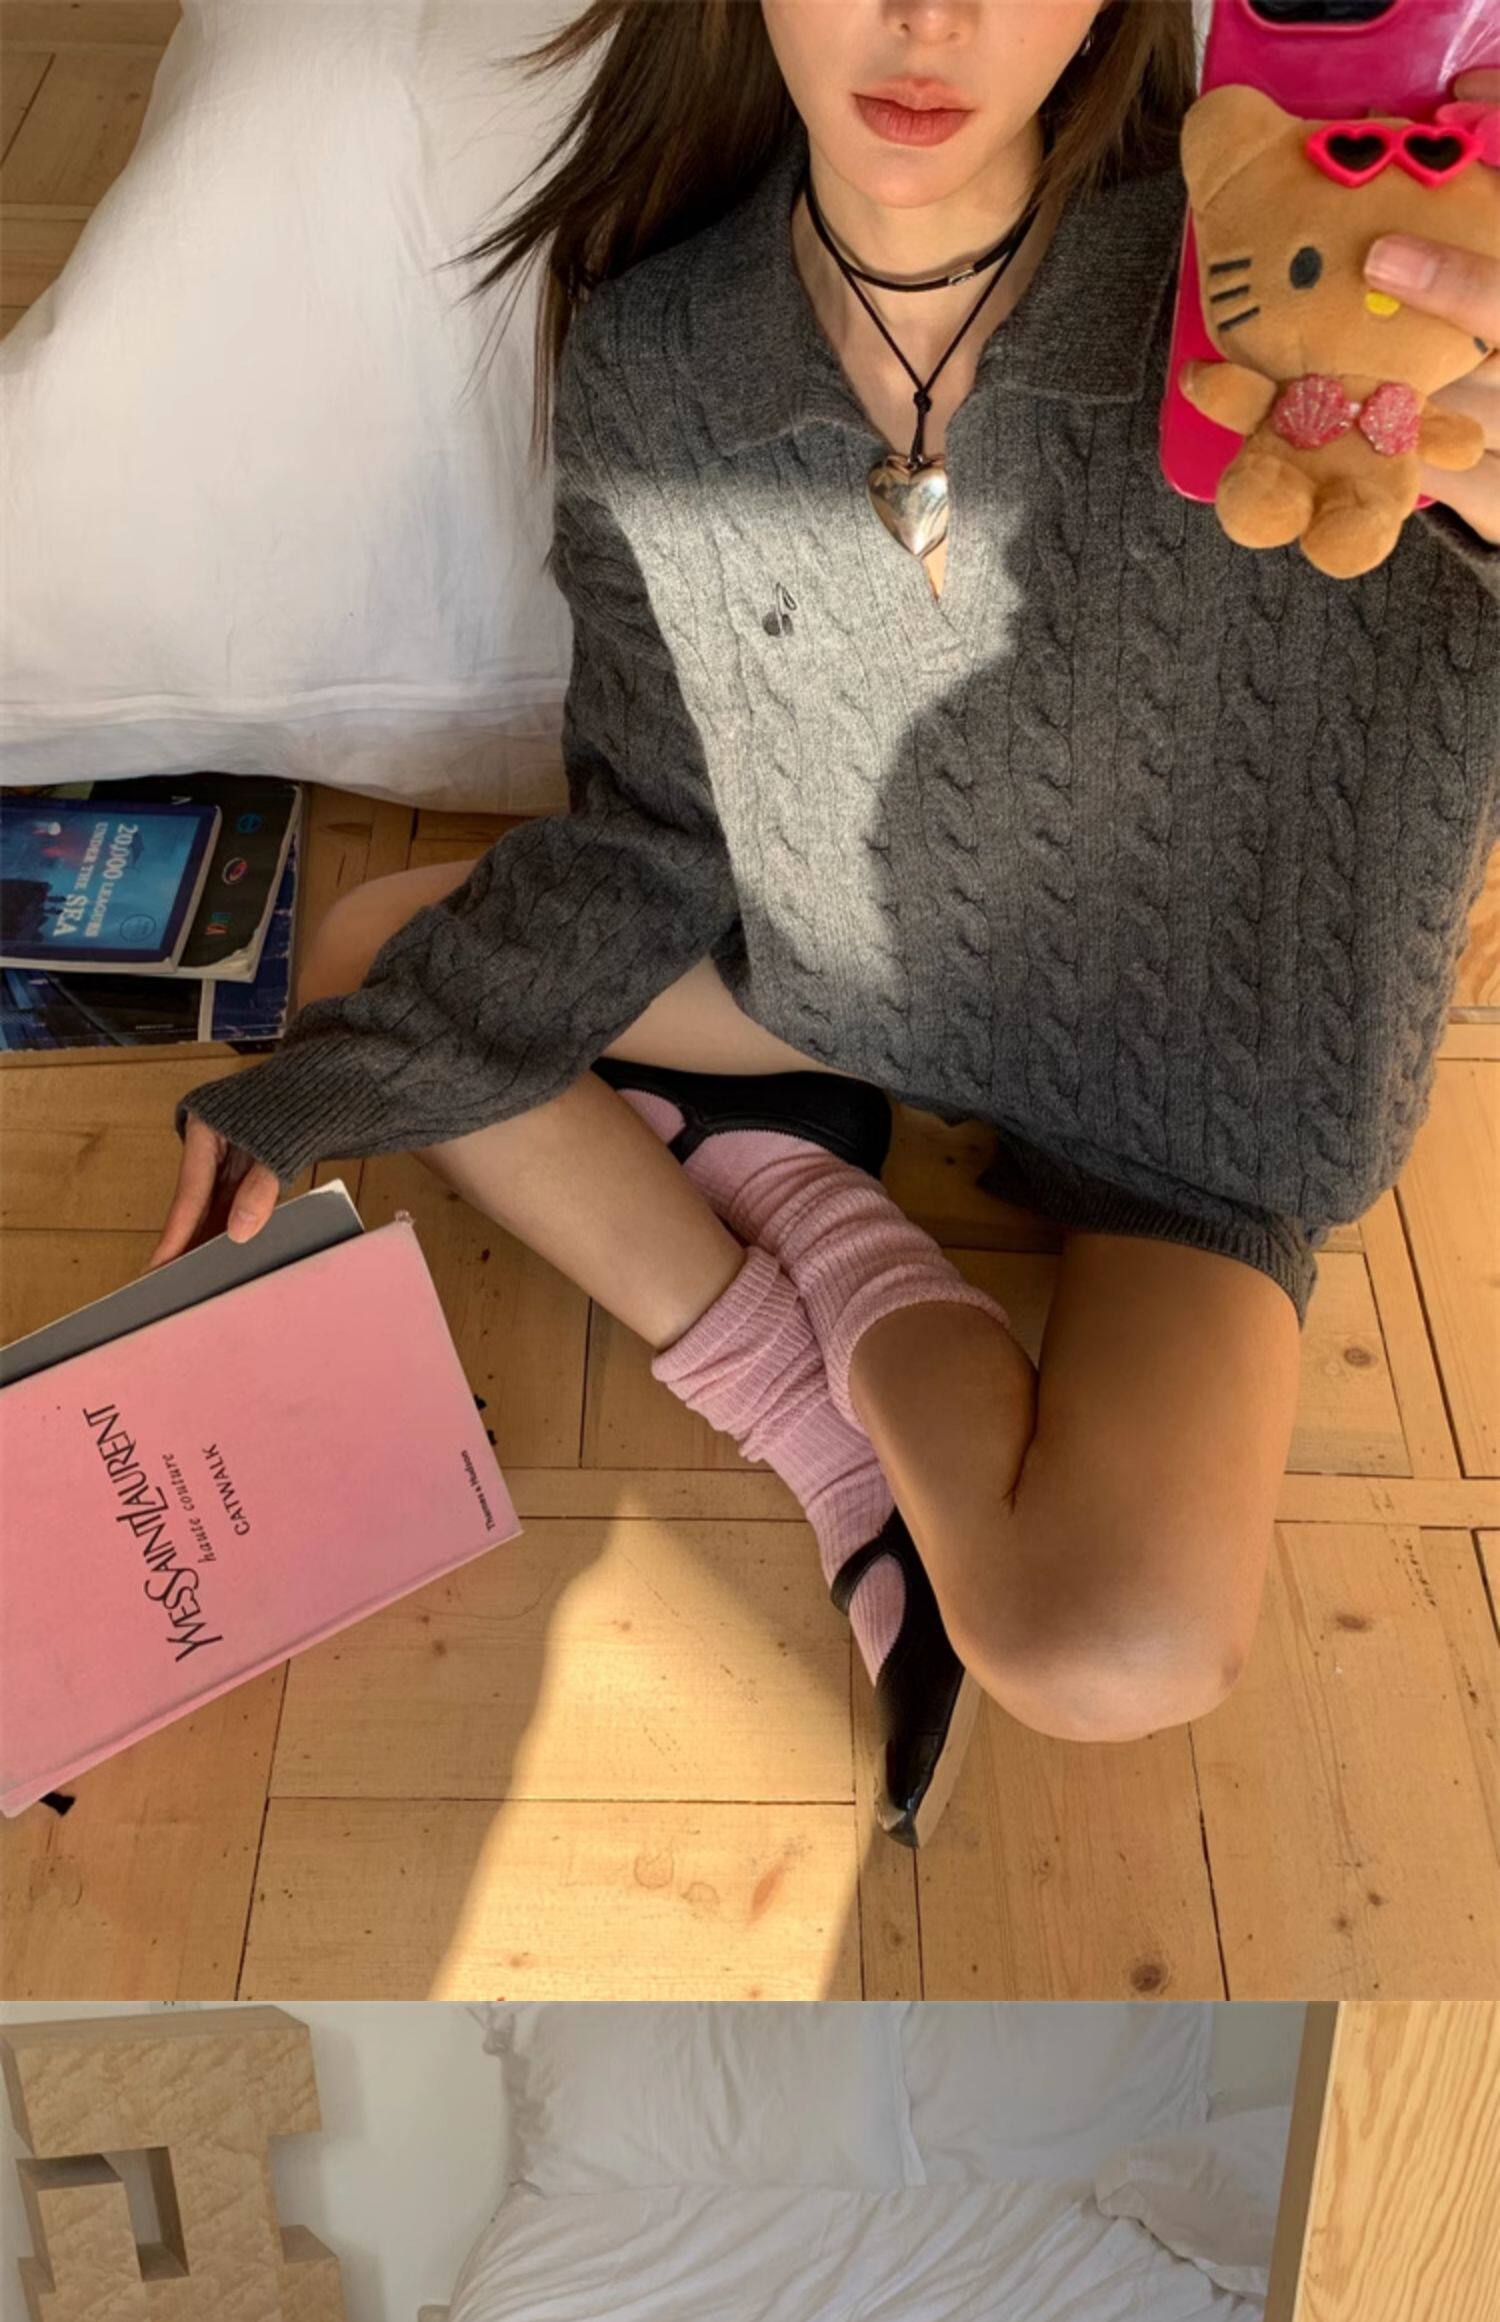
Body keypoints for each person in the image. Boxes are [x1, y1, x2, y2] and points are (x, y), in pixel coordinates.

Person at [147, 2, 1500, 1848]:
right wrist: (315, 1088)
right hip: (843, 984)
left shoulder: (1295, 283)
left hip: (1194, 1111)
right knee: (369, 973)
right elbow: (652, 837)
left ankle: (776, 1190)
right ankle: (831, 1362)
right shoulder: (664, 352)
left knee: (1111, 1643)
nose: (926, 19)